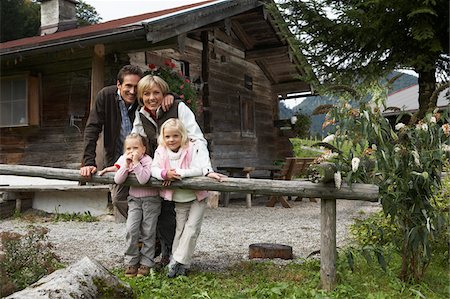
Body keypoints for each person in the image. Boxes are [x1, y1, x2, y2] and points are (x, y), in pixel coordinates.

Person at [132, 74, 225, 266]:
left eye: (156, 93)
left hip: (185, 172)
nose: (151, 98)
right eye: (146, 93)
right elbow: (134, 143)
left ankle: (173, 256)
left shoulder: (178, 107)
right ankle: (166, 251)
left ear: (164, 93)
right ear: (141, 96)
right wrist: (119, 165)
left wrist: (207, 170)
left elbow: (198, 139)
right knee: (159, 213)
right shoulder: (140, 115)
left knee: (177, 217)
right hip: (160, 172)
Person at [80, 65, 174, 219]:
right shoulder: (106, 96)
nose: (132, 91)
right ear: (119, 84)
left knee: (154, 198)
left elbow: (156, 92)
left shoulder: (142, 99)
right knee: (118, 199)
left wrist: (170, 95)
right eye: (128, 86)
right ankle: (144, 232)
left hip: (145, 160)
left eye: (136, 87)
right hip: (119, 159)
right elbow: (92, 128)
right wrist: (88, 161)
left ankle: (151, 236)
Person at [151, 118, 218, 278]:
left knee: (192, 228)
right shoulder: (161, 151)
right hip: (179, 198)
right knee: (180, 230)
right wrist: (164, 174)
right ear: (163, 137)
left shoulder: (192, 148)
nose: (171, 140)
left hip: (197, 196)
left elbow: (200, 169)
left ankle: (176, 261)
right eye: (168, 136)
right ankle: (182, 265)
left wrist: (179, 173)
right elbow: (154, 169)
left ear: (182, 136)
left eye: (175, 136)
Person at [113, 133, 159, 277]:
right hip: (134, 200)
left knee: (148, 231)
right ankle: (131, 261)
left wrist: (137, 163)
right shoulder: (124, 160)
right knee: (131, 230)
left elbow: (143, 179)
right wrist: (126, 165)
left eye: (135, 148)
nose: (131, 151)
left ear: (143, 149)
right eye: (128, 148)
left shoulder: (147, 161)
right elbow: (118, 180)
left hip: (151, 200)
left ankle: (146, 262)